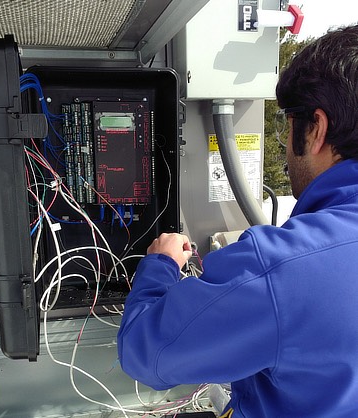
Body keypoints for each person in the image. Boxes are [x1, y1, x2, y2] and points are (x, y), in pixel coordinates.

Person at [117, 25, 358, 418]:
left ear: (316, 128)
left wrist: (159, 266)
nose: (284, 148)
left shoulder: (284, 268)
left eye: (289, 126)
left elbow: (144, 352)